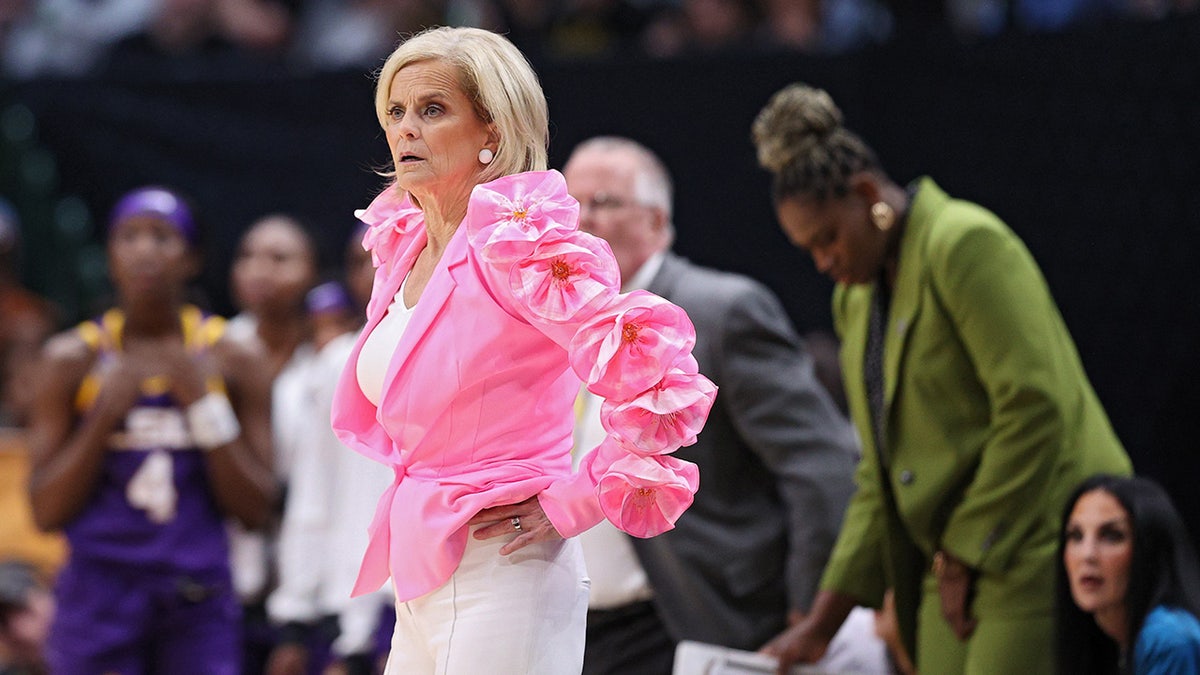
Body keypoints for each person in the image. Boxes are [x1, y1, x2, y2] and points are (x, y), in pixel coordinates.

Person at [329, 26, 714, 675]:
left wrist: (574, 499)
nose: (405, 130)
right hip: (423, 565)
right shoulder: (406, 245)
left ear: (492, 131)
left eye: (432, 109)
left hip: (507, 572)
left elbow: (658, 377)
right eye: (395, 112)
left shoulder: (529, 248)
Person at [749, 82, 1133, 674]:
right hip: (947, 558)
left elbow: (1035, 407)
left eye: (828, 238)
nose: (824, 262)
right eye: (809, 251)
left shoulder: (964, 242)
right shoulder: (853, 303)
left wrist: (962, 551)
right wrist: (821, 625)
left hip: (1035, 534)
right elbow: (877, 476)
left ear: (868, 194)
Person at [562, 136, 879, 674]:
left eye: (603, 202)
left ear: (657, 221)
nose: (582, 219)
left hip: (693, 618)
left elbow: (820, 463)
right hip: (577, 626)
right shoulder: (557, 325)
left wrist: (810, 611)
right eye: (572, 204)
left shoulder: (722, 312)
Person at [25, 186, 277, 674]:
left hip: (195, 598)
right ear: (110, 255)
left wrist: (204, 407)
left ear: (193, 257)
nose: (144, 250)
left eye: (163, 237)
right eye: (129, 236)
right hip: (97, 594)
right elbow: (45, 510)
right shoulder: (70, 360)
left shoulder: (234, 358)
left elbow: (257, 509)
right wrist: (102, 417)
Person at [264, 238, 394, 675]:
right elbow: (312, 493)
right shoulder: (338, 363)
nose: (374, 270)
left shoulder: (463, 348)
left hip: (432, 592)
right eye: (360, 261)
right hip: (346, 600)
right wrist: (295, 614)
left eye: (390, 255)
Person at [224, 212, 322, 673]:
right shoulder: (215, 350)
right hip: (231, 565)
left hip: (312, 570)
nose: (259, 269)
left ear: (314, 273)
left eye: (280, 258)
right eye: (247, 256)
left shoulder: (332, 359)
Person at [1057, 474, 1200, 675]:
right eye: (1076, 536)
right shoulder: (1107, 639)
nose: (1087, 554)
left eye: (1112, 536)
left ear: (1150, 551)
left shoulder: (1171, 640)